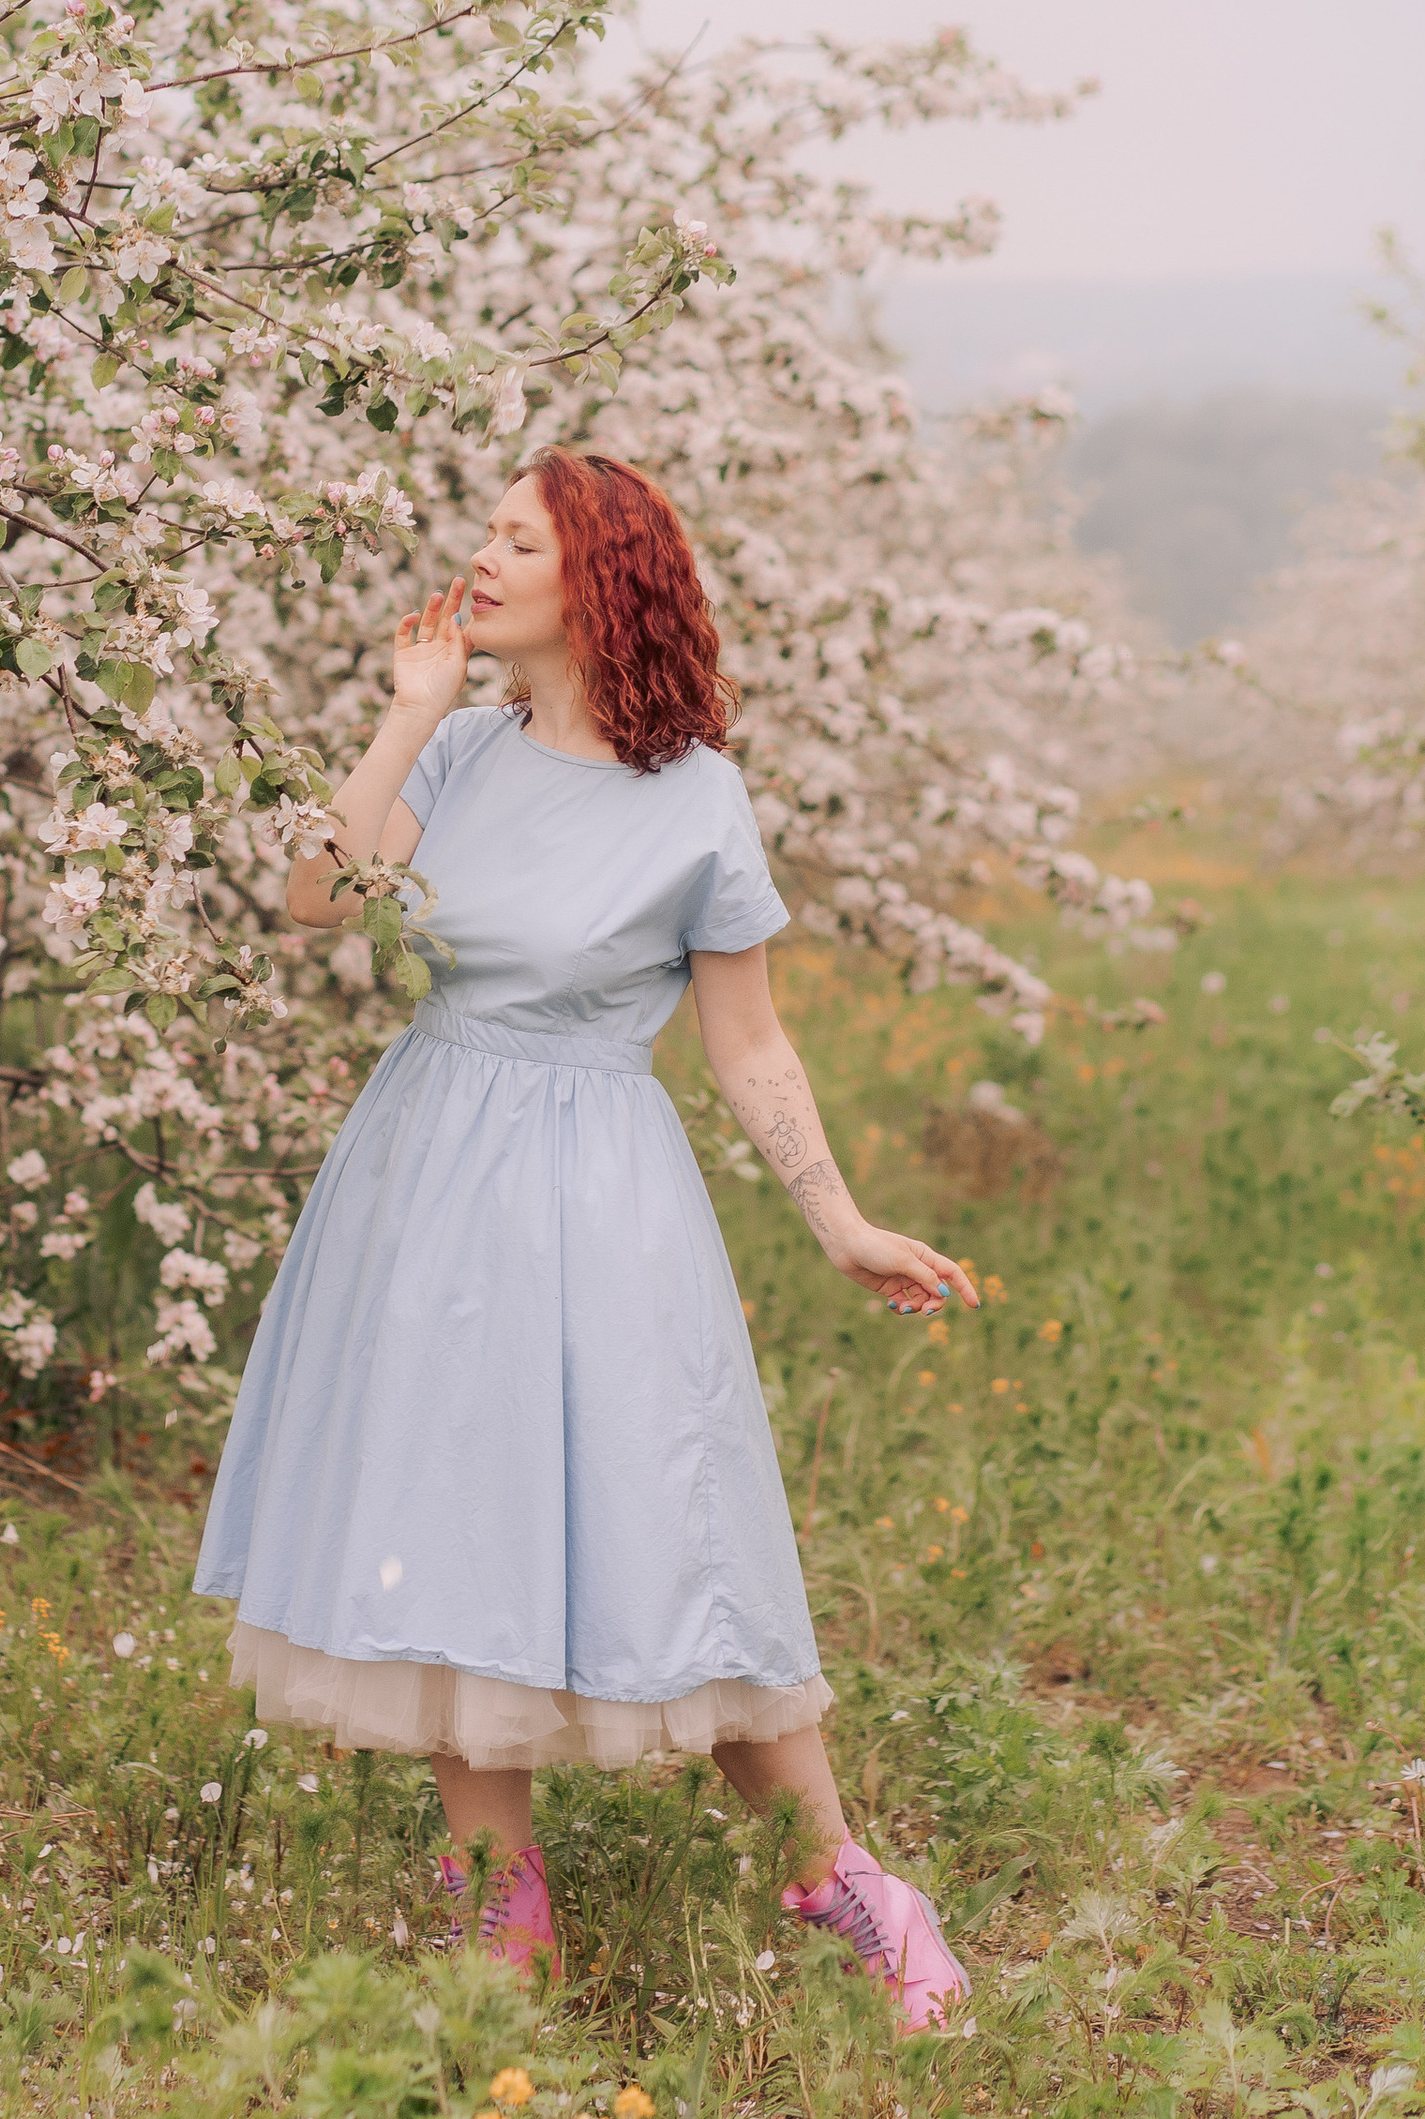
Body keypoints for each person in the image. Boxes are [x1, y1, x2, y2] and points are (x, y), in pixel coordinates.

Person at [192, 447, 975, 2026]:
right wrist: (408, 711)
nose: (480, 560)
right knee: (451, 1517)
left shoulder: (695, 798)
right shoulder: (462, 751)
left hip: (599, 1181)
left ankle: (845, 1880)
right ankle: (505, 1915)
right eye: (482, 533)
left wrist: (838, 1221)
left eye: (515, 540)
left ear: (595, 578)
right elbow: (311, 898)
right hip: (426, 1168)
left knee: (681, 1533)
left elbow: (748, 1043)